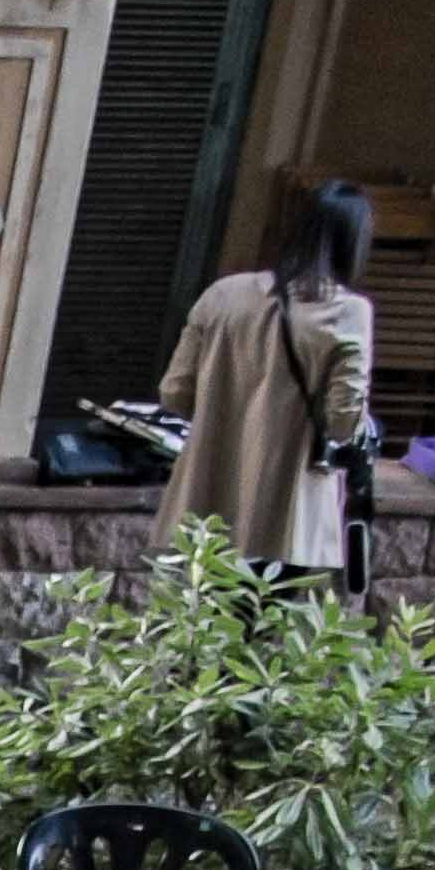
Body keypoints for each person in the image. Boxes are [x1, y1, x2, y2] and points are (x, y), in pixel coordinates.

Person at [156, 178, 376, 581]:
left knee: (193, 633)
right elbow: (343, 421)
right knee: (264, 634)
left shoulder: (222, 294)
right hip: (289, 517)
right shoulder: (348, 312)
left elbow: (174, 393)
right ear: (353, 244)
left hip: (204, 502)